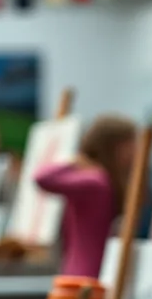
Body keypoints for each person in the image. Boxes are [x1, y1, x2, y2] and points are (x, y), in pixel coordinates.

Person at [35, 115, 137, 279]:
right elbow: (42, 177)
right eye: (130, 145)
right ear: (115, 147)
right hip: (87, 276)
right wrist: (76, 161)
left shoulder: (101, 180)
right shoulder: (96, 181)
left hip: (82, 273)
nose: (135, 151)